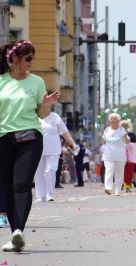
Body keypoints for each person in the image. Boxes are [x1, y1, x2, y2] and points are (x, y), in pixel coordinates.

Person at [0, 40, 59, 252]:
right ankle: (14, 232)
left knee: (22, 184)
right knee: (7, 185)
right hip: (3, 137)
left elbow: (40, 114)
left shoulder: (37, 82)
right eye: (28, 58)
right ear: (14, 59)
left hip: (30, 137)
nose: (31, 62)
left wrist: (45, 105)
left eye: (33, 58)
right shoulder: (1, 81)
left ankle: (19, 232)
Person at [34, 104, 79, 202]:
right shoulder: (34, 117)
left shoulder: (55, 117)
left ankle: (49, 194)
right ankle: (40, 195)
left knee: (49, 170)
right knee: (39, 173)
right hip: (38, 149)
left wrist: (73, 144)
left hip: (53, 149)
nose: (47, 106)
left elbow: (65, 133)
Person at [101, 113, 130, 196]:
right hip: (108, 155)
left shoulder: (122, 130)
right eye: (111, 119)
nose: (113, 120)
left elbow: (127, 142)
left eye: (115, 119)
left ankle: (118, 190)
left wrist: (125, 135)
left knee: (119, 173)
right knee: (109, 170)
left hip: (120, 155)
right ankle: (108, 188)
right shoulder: (107, 130)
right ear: (110, 120)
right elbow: (104, 141)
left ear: (118, 120)